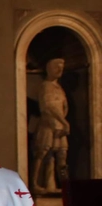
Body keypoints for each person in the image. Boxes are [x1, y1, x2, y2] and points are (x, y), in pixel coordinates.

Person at [32, 57, 69, 192]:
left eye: (62, 67)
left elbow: (64, 106)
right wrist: (64, 122)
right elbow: (49, 107)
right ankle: (35, 183)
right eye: (57, 66)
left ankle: (57, 185)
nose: (60, 70)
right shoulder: (46, 86)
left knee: (59, 156)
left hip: (60, 126)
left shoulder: (58, 87)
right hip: (48, 124)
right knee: (43, 153)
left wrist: (63, 121)